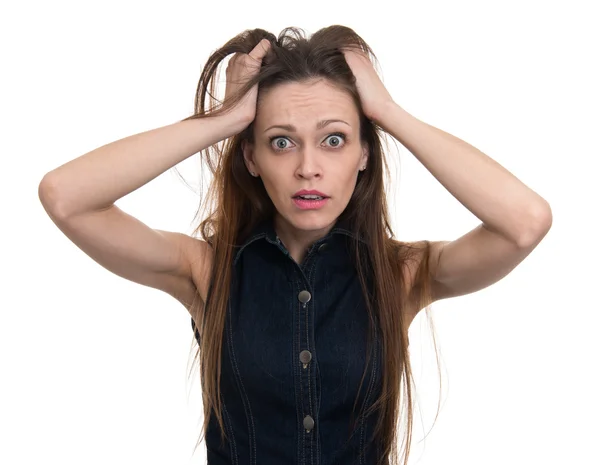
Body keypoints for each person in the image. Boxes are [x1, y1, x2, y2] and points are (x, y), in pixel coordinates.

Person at [38, 25, 552, 465]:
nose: (309, 166)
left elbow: (524, 222)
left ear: (364, 154)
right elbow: (67, 197)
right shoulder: (206, 270)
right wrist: (223, 120)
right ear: (253, 158)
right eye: (281, 141)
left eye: (334, 139)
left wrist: (388, 112)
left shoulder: (401, 273)